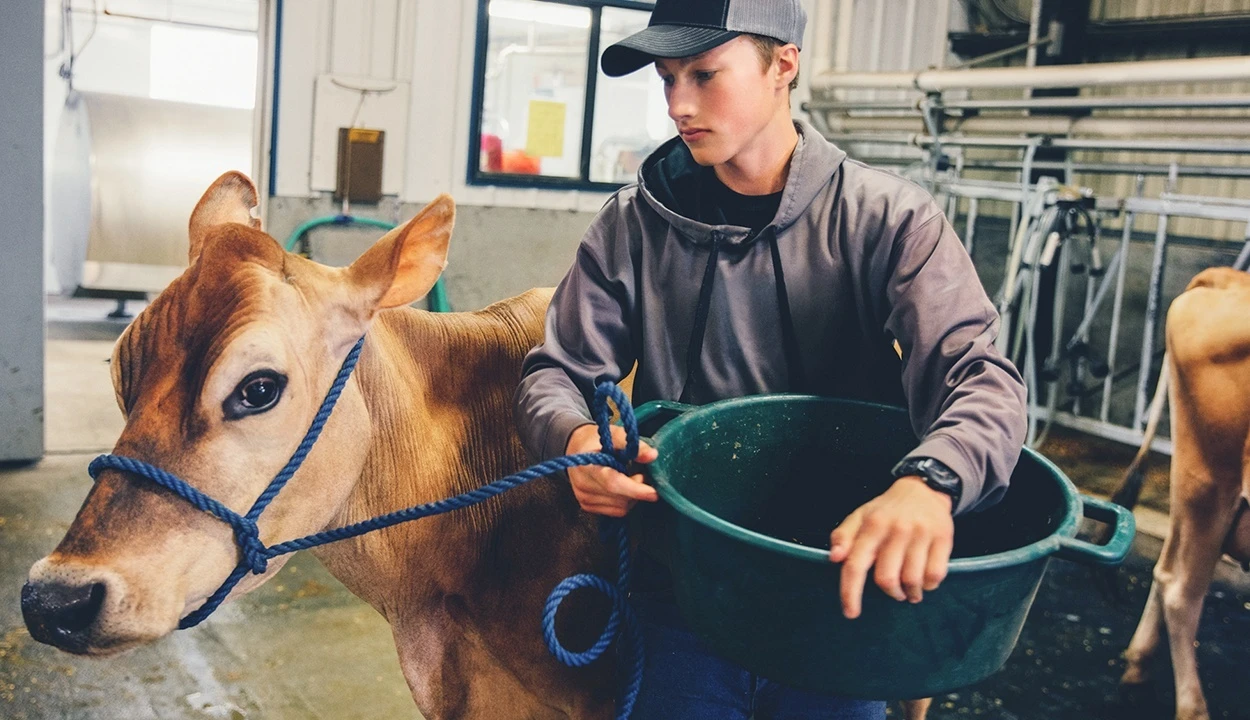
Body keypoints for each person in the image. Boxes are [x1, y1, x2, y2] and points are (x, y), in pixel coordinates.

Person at [513, 0, 1028, 716]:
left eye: (704, 74)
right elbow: (556, 372)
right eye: (667, 79)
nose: (679, 105)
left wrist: (932, 481)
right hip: (683, 589)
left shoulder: (892, 220)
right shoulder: (630, 226)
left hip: (837, 593)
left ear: (784, 63)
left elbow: (981, 379)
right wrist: (575, 440)